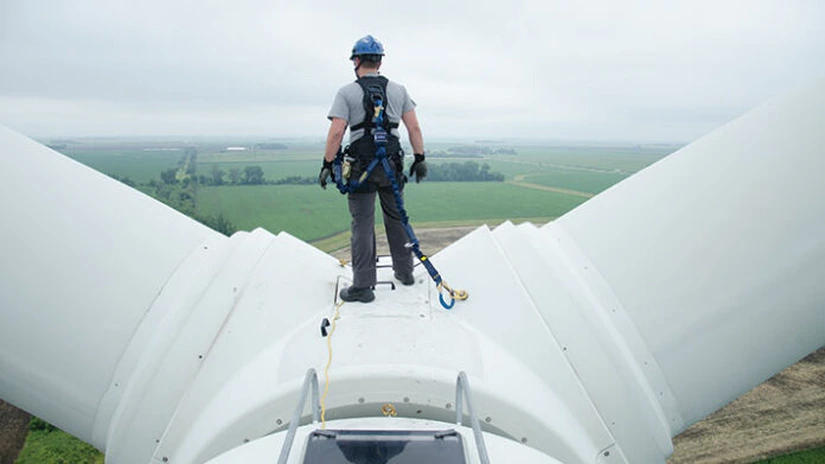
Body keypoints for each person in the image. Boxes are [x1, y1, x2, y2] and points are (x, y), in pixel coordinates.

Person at [319, 34, 428, 303]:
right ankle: (405, 272)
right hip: (391, 165)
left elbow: (336, 133)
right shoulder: (399, 90)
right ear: (379, 61)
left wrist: (327, 164)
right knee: (397, 219)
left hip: (361, 168)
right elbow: (413, 127)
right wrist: (420, 157)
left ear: (356, 61)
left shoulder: (347, 92)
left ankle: (364, 286)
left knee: (363, 225)